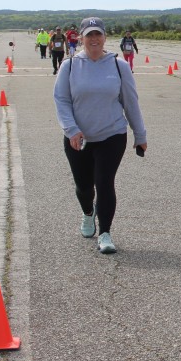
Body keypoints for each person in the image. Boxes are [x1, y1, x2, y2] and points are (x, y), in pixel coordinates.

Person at [54, 16, 148, 254]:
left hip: (112, 135)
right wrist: (71, 130)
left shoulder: (118, 66)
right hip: (79, 138)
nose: (94, 39)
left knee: (104, 183)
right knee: (84, 187)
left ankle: (105, 233)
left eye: (98, 34)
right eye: (89, 35)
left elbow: (130, 102)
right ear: (81, 38)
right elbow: (62, 100)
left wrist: (140, 135)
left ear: (105, 37)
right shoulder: (70, 66)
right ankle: (88, 213)